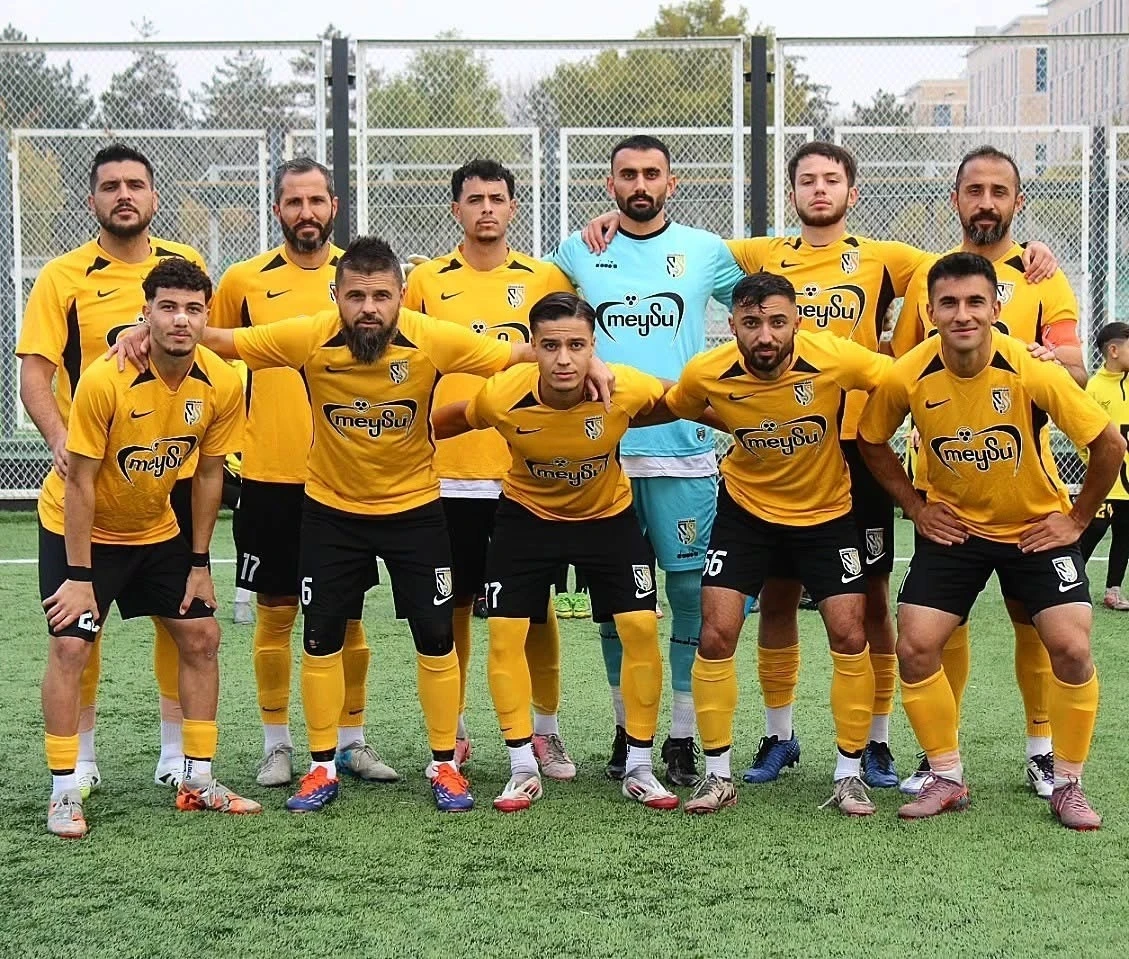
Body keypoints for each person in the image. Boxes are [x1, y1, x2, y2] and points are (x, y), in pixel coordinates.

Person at [582, 140, 1057, 791]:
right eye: (807, 180)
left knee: (868, 606)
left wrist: (1026, 252)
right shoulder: (760, 255)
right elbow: (674, 243)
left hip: (855, 453)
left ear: (851, 192)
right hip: (772, 457)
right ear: (792, 192)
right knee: (776, 598)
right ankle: (778, 736)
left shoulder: (885, 257)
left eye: (831, 179)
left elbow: (964, 265)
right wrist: (614, 222)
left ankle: (874, 745)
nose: (819, 189)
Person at [116, 237, 613, 813]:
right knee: (321, 638)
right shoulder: (309, 335)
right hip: (332, 513)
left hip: (415, 512)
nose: (369, 308)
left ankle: (444, 765)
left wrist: (593, 360)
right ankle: (321, 768)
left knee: (436, 638)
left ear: (402, 296)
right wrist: (142, 331)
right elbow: (224, 340)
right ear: (337, 296)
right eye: (356, 296)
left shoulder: (431, 337)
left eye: (381, 296)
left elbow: (517, 354)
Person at [858, 251, 1124, 830]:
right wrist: (915, 507)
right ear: (930, 312)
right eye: (949, 303)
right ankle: (946, 775)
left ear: (995, 308)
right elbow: (870, 439)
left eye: (975, 301)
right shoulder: (908, 374)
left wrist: (1077, 519)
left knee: (1071, 647)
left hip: (1035, 527)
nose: (963, 314)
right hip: (957, 530)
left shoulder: (1032, 370)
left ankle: (1068, 784)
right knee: (915, 645)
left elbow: (1109, 443)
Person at [634, 271, 892, 815]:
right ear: (732, 325)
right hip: (746, 514)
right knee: (715, 634)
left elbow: (898, 382)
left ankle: (849, 776)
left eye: (777, 321)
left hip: (826, 514)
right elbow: (678, 403)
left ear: (797, 321)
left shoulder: (833, 357)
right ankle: (717, 776)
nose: (765, 335)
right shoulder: (708, 371)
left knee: (850, 634)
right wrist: (602, 402)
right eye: (752, 323)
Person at [549, 134, 747, 786]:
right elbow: (529, 304)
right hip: (602, 455)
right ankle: (625, 727)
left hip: (683, 452)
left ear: (671, 182)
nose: (640, 184)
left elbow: (762, 307)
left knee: (689, 593)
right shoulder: (580, 249)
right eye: (628, 174)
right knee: (617, 603)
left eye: (651, 173)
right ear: (610, 185)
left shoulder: (705, 250)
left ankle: (682, 736)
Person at [432, 292, 680, 812]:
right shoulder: (503, 395)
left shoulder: (626, 386)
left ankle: (639, 766)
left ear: (594, 347)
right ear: (533, 348)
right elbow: (448, 420)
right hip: (527, 518)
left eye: (576, 346)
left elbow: (684, 400)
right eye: (550, 346)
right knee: (506, 633)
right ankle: (522, 765)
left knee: (640, 626)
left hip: (606, 517)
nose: (564, 359)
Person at [891, 145, 1086, 798]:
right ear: (955, 199)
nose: (985, 202)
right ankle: (940, 759)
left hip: (1024, 489)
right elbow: (901, 367)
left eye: (998, 191)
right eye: (973, 190)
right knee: (941, 624)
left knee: (1034, 620)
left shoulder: (1042, 276)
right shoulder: (932, 275)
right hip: (945, 488)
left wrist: (1038, 360)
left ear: (1017, 201)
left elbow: (1076, 369)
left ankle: (1042, 750)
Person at [38, 257, 253, 838]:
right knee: (70, 646)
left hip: (155, 528)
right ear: (146, 313)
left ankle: (198, 779)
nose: (181, 319)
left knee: (203, 636)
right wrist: (79, 575)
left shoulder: (223, 382)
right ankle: (64, 791)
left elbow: (209, 474)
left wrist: (200, 563)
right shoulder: (105, 379)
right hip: (81, 530)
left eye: (193, 309)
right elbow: (79, 481)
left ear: (206, 316)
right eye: (168, 307)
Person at [16, 143, 207, 796]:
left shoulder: (183, 266)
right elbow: (36, 374)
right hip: (96, 481)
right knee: (81, 625)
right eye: (110, 186)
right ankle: (82, 757)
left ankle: (177, 752)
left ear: (154, 196)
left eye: (135, 184)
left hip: (168, 476)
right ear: (92, 199)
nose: (124, 195)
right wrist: (60, 439)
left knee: (180, 621)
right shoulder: (63, 277)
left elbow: (206, 349)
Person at [209, 158, 396, 788]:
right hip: (269, 474)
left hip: (344, 476)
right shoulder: (244, 280)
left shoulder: (358, 278)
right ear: (278, 209)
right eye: (294, 202)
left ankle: (350, 740)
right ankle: (277, 745)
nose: (306, 212)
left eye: (317, 201)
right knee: (276, 610)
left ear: (334, 206)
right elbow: (208, 345)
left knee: (348, 616)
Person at [403, 158, 576, 779]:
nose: (485, 209)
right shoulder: (426, 280)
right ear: (456, 208)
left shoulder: (543, 276)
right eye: (474, 199)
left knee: (536, 609)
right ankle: (453, 731)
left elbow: (571, 356)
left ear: (512, 207)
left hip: (524, 473)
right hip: (447, 472)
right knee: (450, 602)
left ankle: (544, 733)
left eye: (496, 199)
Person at [1078, 322, 1129, 610]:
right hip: (1106, 482)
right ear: (1113, 351)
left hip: (1128, 483)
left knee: (1125, 534)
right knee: (1094, 530)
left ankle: (1113, 590)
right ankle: (1072, 582)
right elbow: (1081, 434)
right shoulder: (1094, 389)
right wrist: (1095, 465)